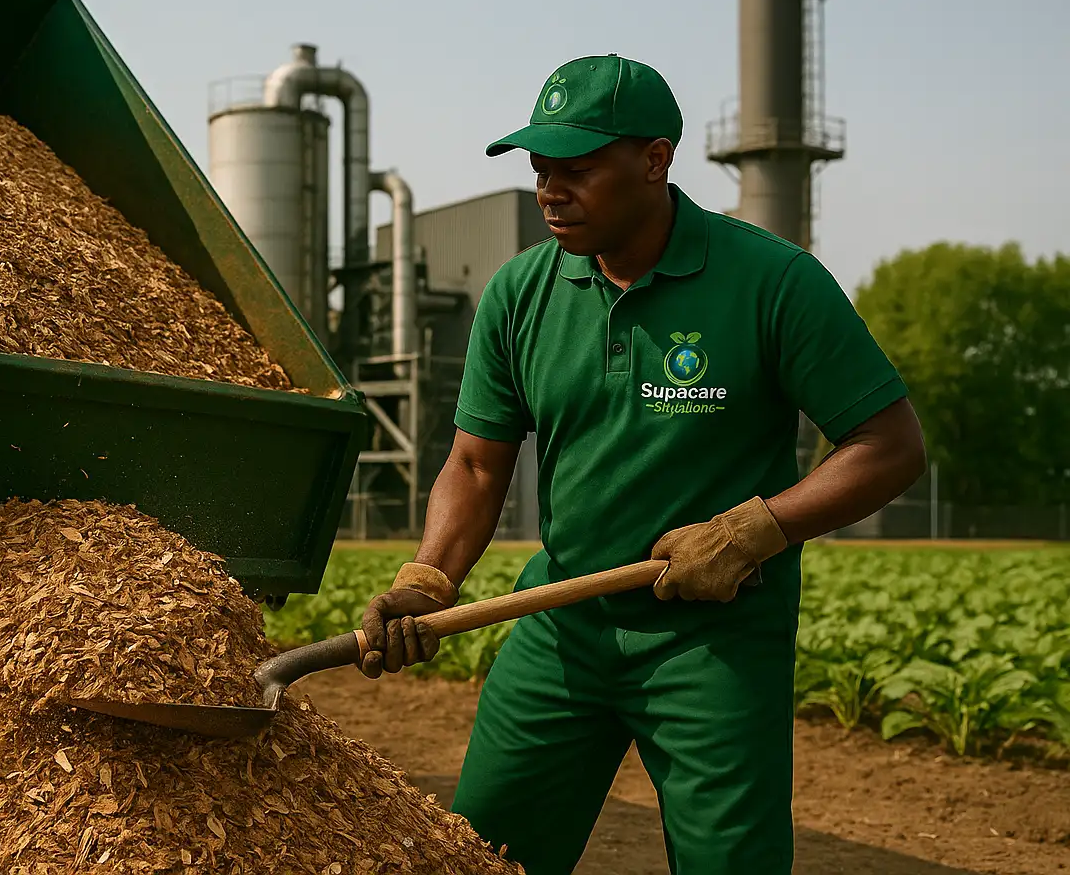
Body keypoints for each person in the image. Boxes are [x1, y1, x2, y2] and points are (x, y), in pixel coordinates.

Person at [357, 55, 927, 874]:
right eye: (541, 168)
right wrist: (426, 580)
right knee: (479, 855)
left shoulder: (772, 281)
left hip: (714, 638)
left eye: (578, 169)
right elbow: (479, 466)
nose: (552, 189)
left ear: (655, 160)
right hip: (561, 623)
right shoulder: (521, 292)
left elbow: (890, 444)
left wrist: (753, 529)